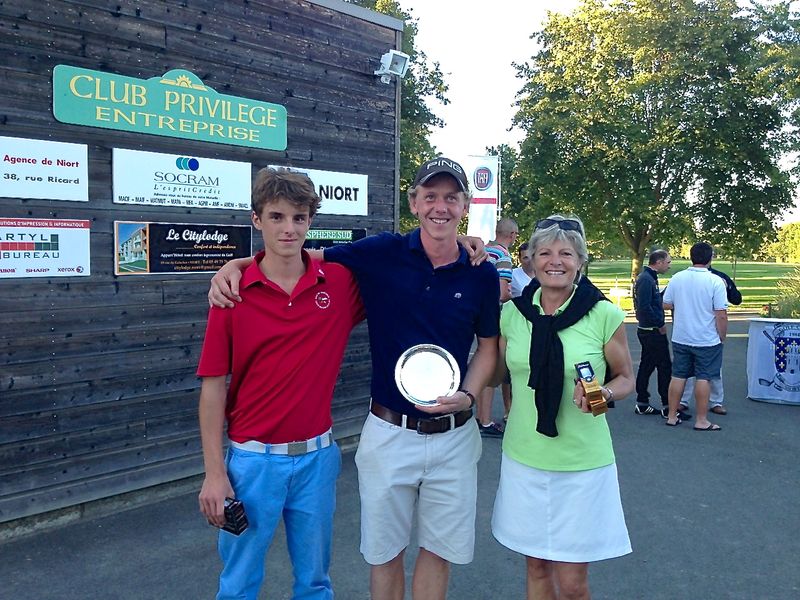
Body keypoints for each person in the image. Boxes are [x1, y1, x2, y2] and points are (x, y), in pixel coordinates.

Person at [209, 157, 500, 600]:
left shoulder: (477, 272)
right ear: (414, 202)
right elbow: (294, 253)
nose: (440, 206)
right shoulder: (380, 253)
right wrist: (237, 265)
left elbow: (489, 347)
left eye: (451, 197)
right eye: (430, 196)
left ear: (464, 204)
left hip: (423, 440)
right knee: (371, 555)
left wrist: (468, 394)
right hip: (353, 438)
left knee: (351, 572)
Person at [196, 168, 365, 600]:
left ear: (311, 220)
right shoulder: (232, 294)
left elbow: (407, 260)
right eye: (276, 217)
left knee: (314, 582)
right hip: (253, 463)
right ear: (257, 220)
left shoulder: (341, 284)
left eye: (299, 217)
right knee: (239, 583)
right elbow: (213, 387)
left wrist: (463, 243)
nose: (288, 229)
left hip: (318, 458)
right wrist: (215, 474)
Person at [490, 215, 634, 599]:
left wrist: (600, 395)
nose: (556, 261)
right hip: (525, 457)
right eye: (545, 252)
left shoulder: (603, 314)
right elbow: (496, 375)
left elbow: (625, 379)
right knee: (536, 568)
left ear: (580, 261)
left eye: (566, 253)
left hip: (581, 464)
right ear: (531, 261)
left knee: (572, 585)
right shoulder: (512, 314)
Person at [663, 242, 728, 430]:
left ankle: (672, 415)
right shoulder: (715, 281)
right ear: (710, 258)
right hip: (706, 338)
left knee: (678, 375)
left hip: (682, 336)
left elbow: (666, 303)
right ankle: (701, 420)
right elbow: (721, 313)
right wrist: (722, 335)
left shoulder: (677, 278)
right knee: (704, 377)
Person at [680, 263, 742, 415]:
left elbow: (736, 299)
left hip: (709, 331)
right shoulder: (682, 278)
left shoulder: (718, 278)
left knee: (712, 370)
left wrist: (727, 287)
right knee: (684, 371)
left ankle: (716, 401)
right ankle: (683, 400)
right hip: (688, 329)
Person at [476, 217, 519, 436]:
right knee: (492, 369)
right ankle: (485, 420)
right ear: (512, 235)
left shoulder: (482, 251)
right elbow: (503, 293)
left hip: (475, 312)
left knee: (481, 363)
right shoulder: (503, 255)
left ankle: (480, 416)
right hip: (493, 315)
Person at [632, 249, 674, 417]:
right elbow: (644, 307)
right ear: (659, 262)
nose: (669, 265)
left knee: (647, 365)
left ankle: (642, 402)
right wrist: (660, 323)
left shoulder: (650, 279)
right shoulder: (646, 280)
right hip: (651, 331)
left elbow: (652, 302)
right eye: (668, 262)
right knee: (664, 367)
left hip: (649, 329)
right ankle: (667, 406)